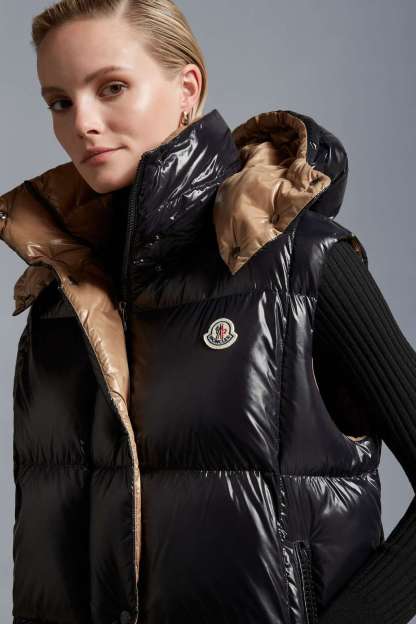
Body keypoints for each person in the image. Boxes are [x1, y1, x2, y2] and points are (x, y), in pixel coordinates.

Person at [0, 1, 415, 623]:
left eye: (111, 88)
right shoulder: (61, 302)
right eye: (59, 101)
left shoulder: (303, 262)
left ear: (187, 89)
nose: (82, 122)